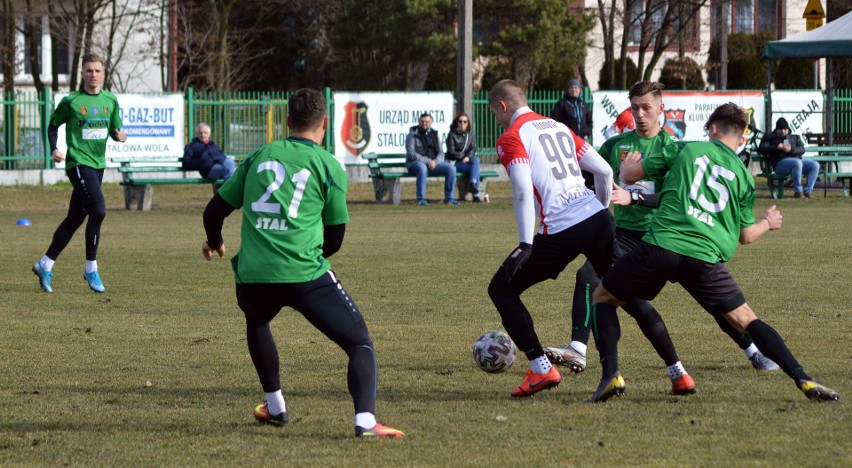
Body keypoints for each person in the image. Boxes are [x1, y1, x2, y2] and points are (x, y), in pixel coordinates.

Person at [590, 102, 839, 402]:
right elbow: (746, 236)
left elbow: (631, 175)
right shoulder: (745, 179)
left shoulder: (685, 149)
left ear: (713, 128)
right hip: (705, 257)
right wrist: (767, 223)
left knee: (602, 296)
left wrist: (628, 166)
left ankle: (611, 376)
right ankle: (804, 380)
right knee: (747, 319)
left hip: (662, 246)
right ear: (742, 137)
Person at [545, 82, 778, 395]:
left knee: (714, 303)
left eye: (647, 108)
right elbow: (590, 176)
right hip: (626, 235)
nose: (640, 115)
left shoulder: (675, 150)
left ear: (661, 111)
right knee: (591, 277)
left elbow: (676, 198)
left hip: (667, 235)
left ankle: (753, 351)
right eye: (635, 108)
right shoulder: (616, 146)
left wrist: (634, 198)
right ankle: (579, 347)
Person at [200, 88, 405, 438]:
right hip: (304, 273)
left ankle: (275, 406)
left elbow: (214, 210)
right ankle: (366, 421)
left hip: (253, 274)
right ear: (325, 123)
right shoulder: (328, 165)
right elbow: (336, 238)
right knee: (359, 342)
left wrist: (216, 242)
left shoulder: (259, 156)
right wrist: (303, 258)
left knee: (257, 320)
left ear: (288, 122)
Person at [486, 79, 615, 398]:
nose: (498, 121)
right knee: (620, 288)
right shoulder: (558, 126)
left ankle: (542, 369)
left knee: (501, 288)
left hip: (561, 227)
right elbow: (604, 171)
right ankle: (675, 370)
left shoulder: (512, 136)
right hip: (597, 218)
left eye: (495, 114)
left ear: (502, 106)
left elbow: (521, 190)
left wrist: (525, 244)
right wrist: (599, 210)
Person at [32, 53, 126, 294]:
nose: (93, 75)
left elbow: (114, 129)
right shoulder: (71, 101)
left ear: (103, 74)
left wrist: (119, 135)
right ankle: (91, 268)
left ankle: (45, 264)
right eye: (89, 71)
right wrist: (54, 148)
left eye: (97, 70)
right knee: (99, 210)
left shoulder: (110, 100)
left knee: (75, 218)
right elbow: (53, 125)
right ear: (82, 74)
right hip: (77, 163)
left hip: (97, 164)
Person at [405, 113, 458, 205]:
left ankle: (450, 198)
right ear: (419, 122)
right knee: (422, 168)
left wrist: (436, 162)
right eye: (422, 121)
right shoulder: (412, 134)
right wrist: (428, 161)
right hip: (415, 164)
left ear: (431, 122)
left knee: (451, 168)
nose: (424, 123)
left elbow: (441, 153)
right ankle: (421, 199)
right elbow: (411, 154)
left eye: (427, 122)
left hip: (433, 164)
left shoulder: (434, 134)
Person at [757, 117, 816, 198]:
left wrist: (791, 149)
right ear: (776, 129)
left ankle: (808, 191)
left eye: (785, 129)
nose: (783, 131)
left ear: (788, 129)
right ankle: (798, 191)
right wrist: (776, 147)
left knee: (814, 165)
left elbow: (802, 149)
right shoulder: (770, 137)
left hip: (796, 163)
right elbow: (762, 148)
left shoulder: (795, 137)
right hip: (780, 164)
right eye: (780, 129)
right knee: (797, 162)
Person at [445, 113, 483, 202]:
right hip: (455, 163)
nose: (462, 124)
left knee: (476, 161)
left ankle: (472, 184)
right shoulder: (452, 135)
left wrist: (468, 157)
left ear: (468, 123)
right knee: (475, 168)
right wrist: (463, 157)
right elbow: (451, 152)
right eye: (460, 122)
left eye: (465, 122)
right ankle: (476, 195)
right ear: (457, 123)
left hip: (466, 162)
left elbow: (473, 149)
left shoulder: (470, 135)